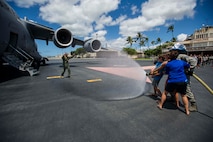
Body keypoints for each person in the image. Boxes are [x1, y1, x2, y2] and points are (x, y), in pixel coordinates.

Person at [157, 49, 190, 115]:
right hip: (182, 81)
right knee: (183, 95)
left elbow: (167, 72)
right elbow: (188, 66)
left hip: (172, 81)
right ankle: (187, 111)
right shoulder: (181, 62)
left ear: (170, 57)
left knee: (165, 93)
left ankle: (160, 105)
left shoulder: (168, 64)